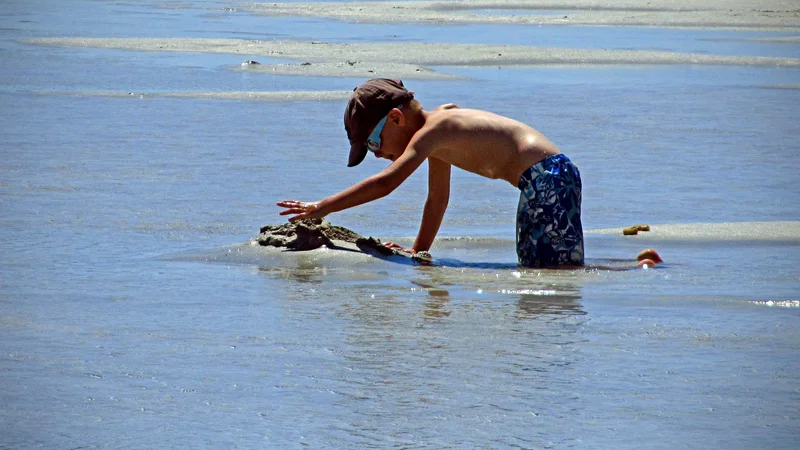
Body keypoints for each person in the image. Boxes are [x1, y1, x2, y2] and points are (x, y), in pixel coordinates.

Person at [278, 78, 660, 268]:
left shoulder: (434, 130)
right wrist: (419, 251)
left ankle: (637, 269)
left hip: (547, 178)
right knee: (544, 268)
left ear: (395, 118)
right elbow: (436, 199)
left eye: (375, 145)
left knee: (553, 275)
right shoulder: (437, 132)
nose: (378, 156)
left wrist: (322, 207)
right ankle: (636, 264)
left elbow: (388, 182)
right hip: (545, 180)